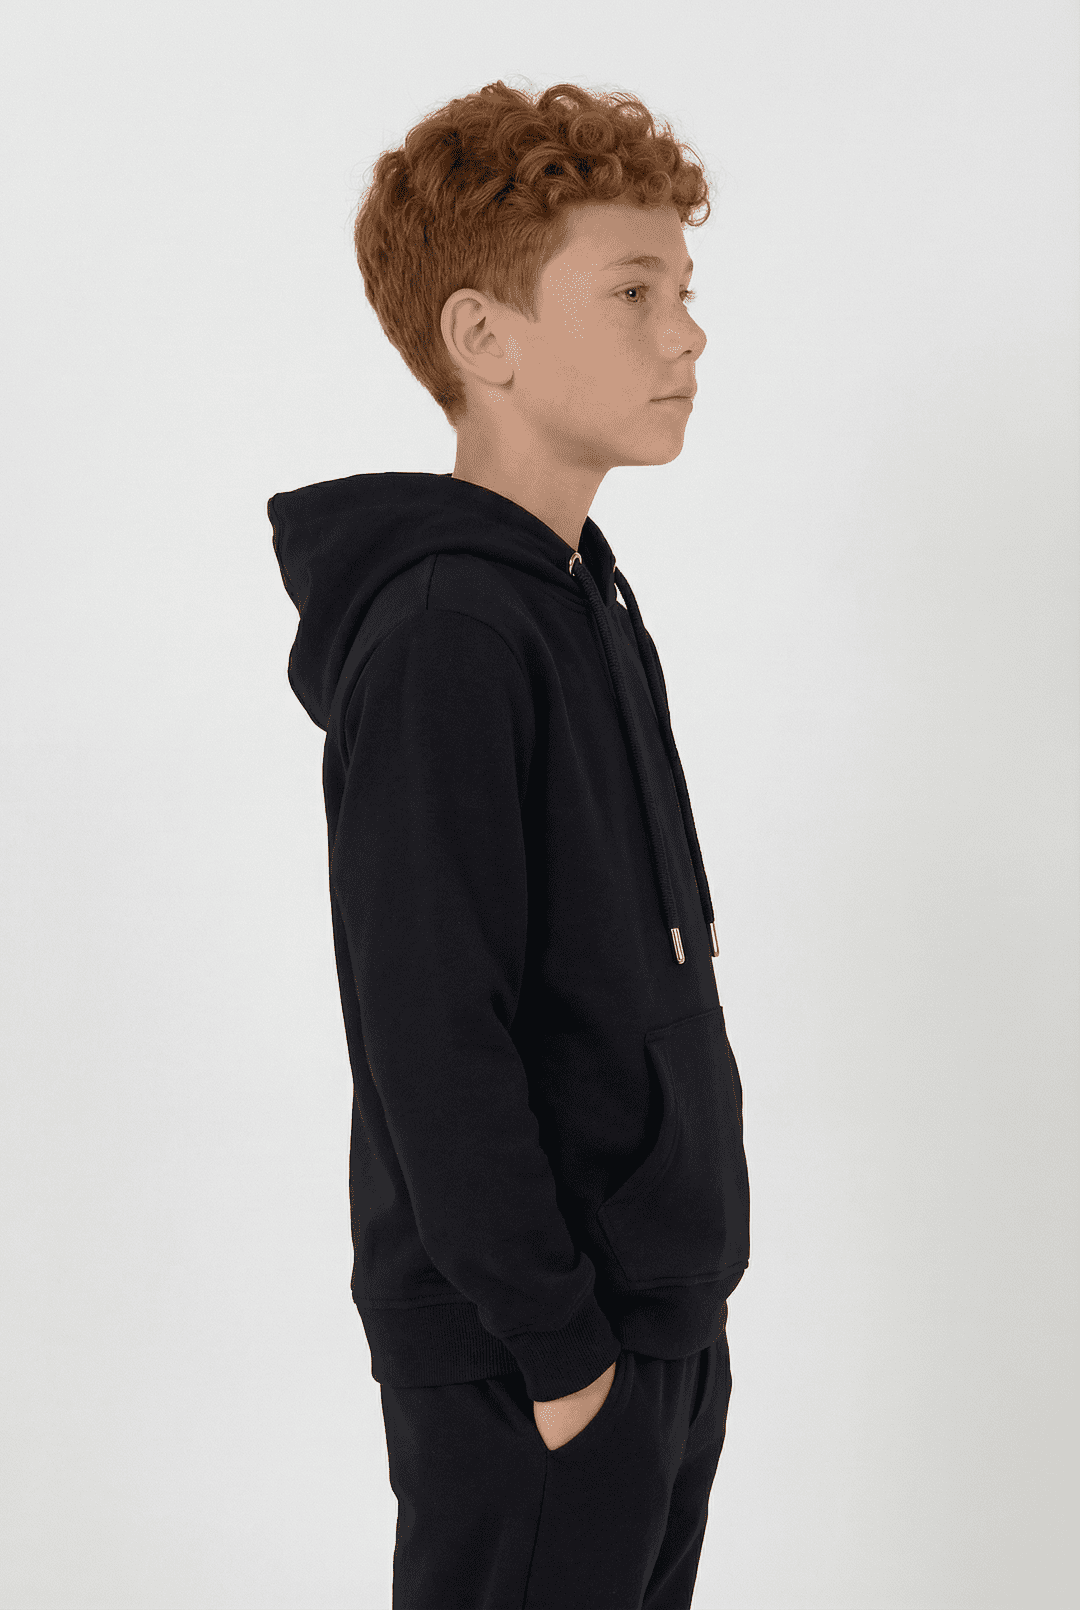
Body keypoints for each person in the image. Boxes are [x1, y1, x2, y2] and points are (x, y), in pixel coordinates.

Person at [268, 77, 751, 1610]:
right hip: (537, 1359)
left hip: (649, 1323)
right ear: (484, 337)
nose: (687, 335)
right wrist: (559, 1356)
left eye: (685, 290)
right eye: (633, 291)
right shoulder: (445, 635)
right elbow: (431, 1030)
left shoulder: (578, 596)